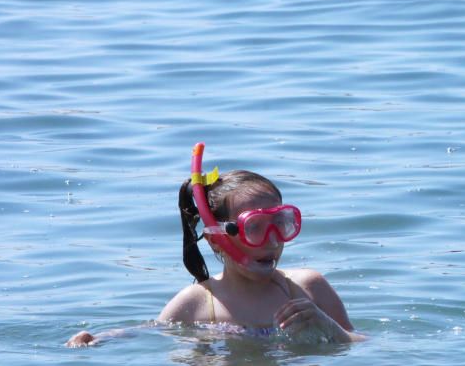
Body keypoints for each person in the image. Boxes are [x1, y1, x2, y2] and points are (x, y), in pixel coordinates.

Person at [67, 146, 362, 346]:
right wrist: (100, 340)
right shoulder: (196, 303)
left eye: (281, 223)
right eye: (254, 228)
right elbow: (153, 334)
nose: (272, 239)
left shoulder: (309, 287)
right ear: (216, 238)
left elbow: (360, 344)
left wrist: (328, 327)